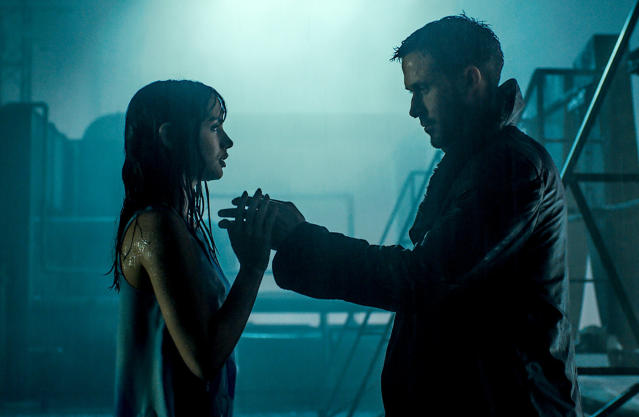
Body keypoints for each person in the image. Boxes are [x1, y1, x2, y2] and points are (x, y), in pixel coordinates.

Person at [220, 15, 582, 416]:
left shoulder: (511, 167)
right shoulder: (484, 164)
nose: (413, 110)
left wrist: (301, 239)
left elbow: (422, 278)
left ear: (469, 80)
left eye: (422, 89)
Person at [112, 80, 278, 417]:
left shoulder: (180, 227)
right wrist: (253, 268)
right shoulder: (156, 226)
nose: (227, 141)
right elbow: (203, 358)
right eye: (214, 127)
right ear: (170, 136)